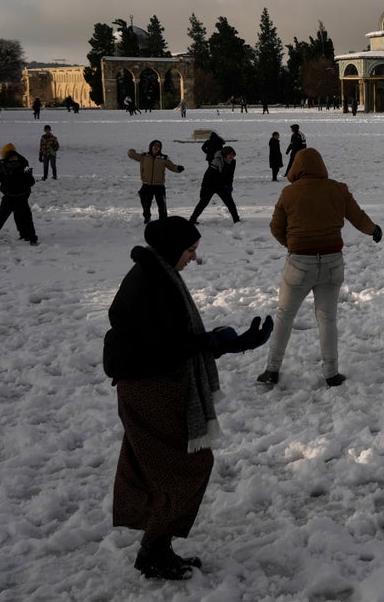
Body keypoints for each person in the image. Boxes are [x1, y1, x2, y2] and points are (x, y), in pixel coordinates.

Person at [102, 217, 272, 580]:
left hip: (155, 384)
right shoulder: (151, 283)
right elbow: (159, 346)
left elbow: (168, 339)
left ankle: (157, 548)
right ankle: (152, 552)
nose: (194, 257)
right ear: (171, 249)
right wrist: (213, 343)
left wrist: (224, 343)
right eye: (190, 250)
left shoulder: (159, 275)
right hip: (150, 388)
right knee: (187, 467)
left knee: (166, 467)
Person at [258, 148, 382, 387]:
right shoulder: (338, 189)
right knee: (327, 319)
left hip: (299, 264)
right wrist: (373, 230)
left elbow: (275, 228)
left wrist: (291, 244)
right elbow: (358, 217)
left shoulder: (289, 193)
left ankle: (271, 369)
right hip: (332, 262)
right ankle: (331, 373)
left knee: (285, 316)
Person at [128, 140, 185, 224]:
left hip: (159, 186)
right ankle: (147, 217)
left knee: (162, 206)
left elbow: (171, 166)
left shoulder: (164, 158)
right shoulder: (144, 156)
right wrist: (131, 151)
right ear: (151, 147)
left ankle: (163, 221)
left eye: (158, 146)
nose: (156, 147)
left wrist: (178, 168)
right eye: (155, 145)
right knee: (146, 204)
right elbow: (131, 155)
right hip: (146, 185)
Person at [190, 147, 240, 224]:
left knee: (230, 203)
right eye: (230, 155)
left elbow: (230, 175)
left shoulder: (232, 162)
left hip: (222, 185)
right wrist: (203, 189)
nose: (231, 157)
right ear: (225, 155)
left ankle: (236, 221)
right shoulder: (216, 161)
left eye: (233, 155)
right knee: (203, 203)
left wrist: (229, 185)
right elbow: (209, 176)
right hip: (210, 185)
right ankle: (192, 220)